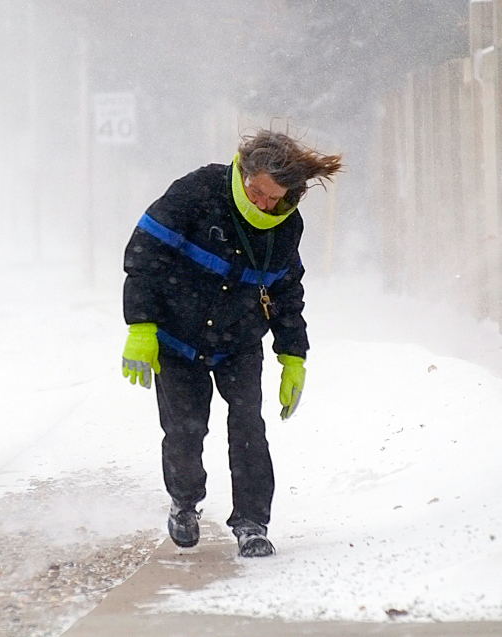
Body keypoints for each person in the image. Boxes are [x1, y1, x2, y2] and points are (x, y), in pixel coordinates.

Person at [121, 130, 342, 557]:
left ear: (289, 195)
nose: (261, 203)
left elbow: (287, 293)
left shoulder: (286, 227)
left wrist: (293, 355)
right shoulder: (198, 192)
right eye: (254, 191)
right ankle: (185, 502)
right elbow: (144, 255)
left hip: (239, 341)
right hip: (176, 338)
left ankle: (252, 523)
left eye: (271, 197)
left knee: (248, 428)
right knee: (185, 431)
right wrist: (140, 327)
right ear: (243, 172)